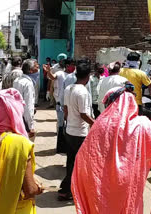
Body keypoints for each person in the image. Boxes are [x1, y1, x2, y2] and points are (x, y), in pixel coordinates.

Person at [72, 84, 151, 213]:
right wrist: (140, 165)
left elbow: (83, 160)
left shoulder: (99, 126)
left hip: (102, 189)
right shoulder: (144, 126)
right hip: (130, 186)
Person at [0, 89, 42, 214]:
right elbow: (30, 190)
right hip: (15, 207)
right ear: (15, 112)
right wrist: (39, 187)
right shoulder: (19, 143)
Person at [58, 62, 94, 200]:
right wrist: (96, 124)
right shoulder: (83, 91)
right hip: (80, 133)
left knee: (72, 161)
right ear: (88, 76)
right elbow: (84, 114)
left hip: (70, 130)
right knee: (81, 164)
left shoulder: (69, 88)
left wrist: (68, 121)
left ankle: (67, 189)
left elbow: (66, 109)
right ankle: (68, 189)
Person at [45, 59, 72, 153]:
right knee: (61, 125)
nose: (73, 67)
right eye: (72, 65)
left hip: (71, 105)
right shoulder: (60, 73)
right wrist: (48, 71)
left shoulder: (74, 75)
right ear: (67, 65)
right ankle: (61, 147)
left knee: (69, 126)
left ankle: (68, 146)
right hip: (60, 104)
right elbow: (52, 77)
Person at [13, 59, 37, 142]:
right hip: (24, 120)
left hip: (17, 117)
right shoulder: (28, 84)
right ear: (31, 70)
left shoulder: (17, 80)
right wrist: (30, 126)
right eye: (36, 67)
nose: (37, 69)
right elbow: (28, 106)